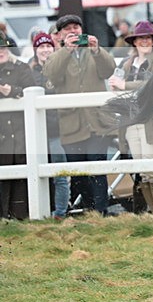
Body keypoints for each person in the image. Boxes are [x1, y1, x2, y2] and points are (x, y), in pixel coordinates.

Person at [43, 14, 116, 215]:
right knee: (79, 173)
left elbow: (109, 70)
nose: (73, 31)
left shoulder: (93, 51)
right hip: (71, 124)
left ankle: (101, 211)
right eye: (67, 29)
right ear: (59, 35)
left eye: (76, 27)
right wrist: (66, 50)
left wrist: (97, 51)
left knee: (97, 165)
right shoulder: (56, 56)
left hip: (96, 122)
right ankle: (90, 209)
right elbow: (51, 75)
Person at [108, 21, 153, 213]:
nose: (144, 41)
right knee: (142, 171)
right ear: (134, 42)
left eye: (148, 38)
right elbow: (118, 87)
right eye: (140, 38)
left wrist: (125, 85)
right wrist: (116, 86)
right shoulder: (127, 63)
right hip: (132, 122)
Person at [28, 32, 71, 219]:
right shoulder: (29, 72)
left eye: (48, 46)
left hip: (56, 131)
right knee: (36, 173)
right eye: (41, 47)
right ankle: (39, 211)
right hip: (35, 134)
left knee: (59, 175)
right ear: (35, 50)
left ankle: (60, 212)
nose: (45, 50)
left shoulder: (61, 69)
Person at [0, 32, 36, 219]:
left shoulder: (21, 68)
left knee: (21, 177)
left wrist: (12, 91)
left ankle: (20, 216)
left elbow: (33, 90)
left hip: (20, 131)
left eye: (3, 47)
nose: (1, 51)